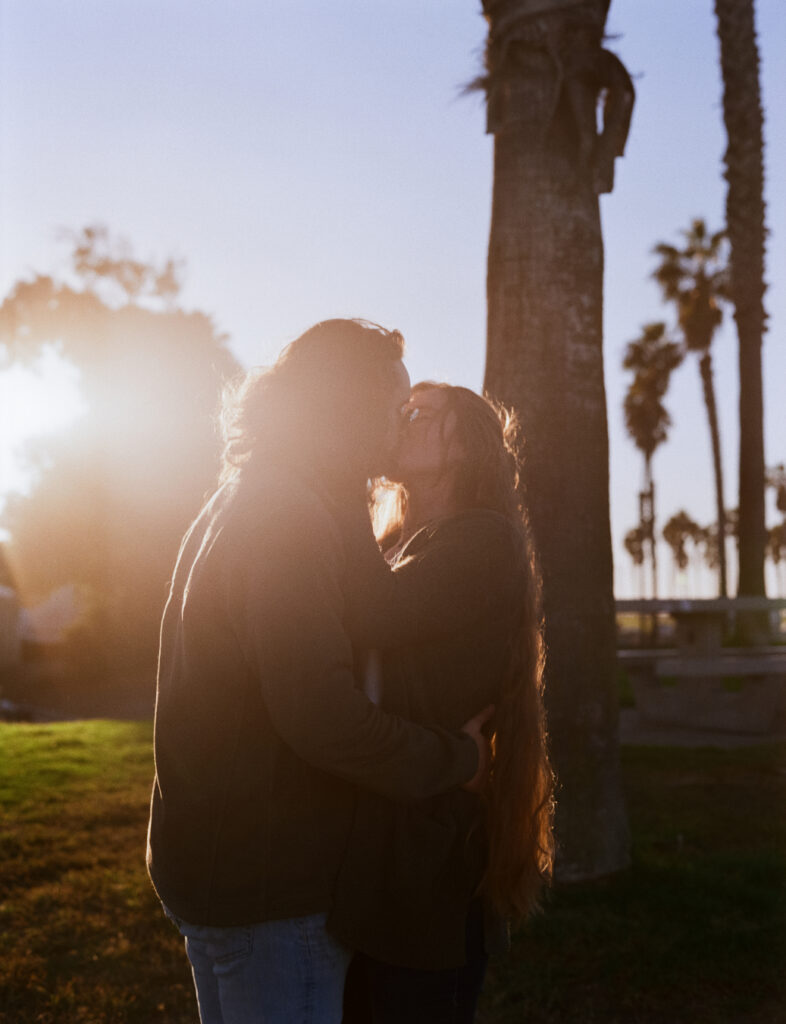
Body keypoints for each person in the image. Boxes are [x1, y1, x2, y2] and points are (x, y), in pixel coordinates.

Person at [146, 321, 492, 1024]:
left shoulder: (252, 492)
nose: (403, 425)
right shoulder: (291, 517)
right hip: (269, 885)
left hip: (216, 866)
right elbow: (321, 715)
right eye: (395, 408)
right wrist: (457, 759)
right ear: (349, 407)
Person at [329, 382, 556, 1023]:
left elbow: (371, 614)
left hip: (432, 854)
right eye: (400, 410)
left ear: (467, 447)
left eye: (420, 413)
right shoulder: (399, 539)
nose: (400, 420)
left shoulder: (486, 539)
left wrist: (342, 470)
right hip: (383, 840)